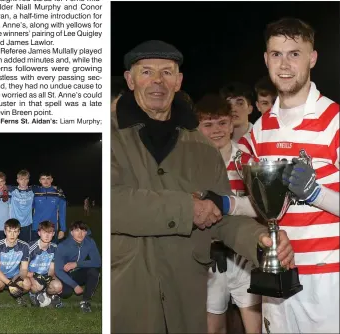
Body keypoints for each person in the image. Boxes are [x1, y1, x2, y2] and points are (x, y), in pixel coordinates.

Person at [111, 39, 295, 333]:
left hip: (187, 294)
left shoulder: (200, 146)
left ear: (179, 81)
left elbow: (220, 214)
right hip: (126, 291)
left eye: (167, 72)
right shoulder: (110, 136)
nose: (157, 81)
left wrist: (260, 242)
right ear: (130, 80)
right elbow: (112, 203)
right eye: (146, 72)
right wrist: (187, 208)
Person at [238, 18, 339, 333]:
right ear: (266, 59)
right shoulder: (260, 128)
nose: (284, 64)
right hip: (277, 271)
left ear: (312, 58)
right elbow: (257, 204)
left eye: (295, 54)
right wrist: (225, 204)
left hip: (326, 279)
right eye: (277, 54)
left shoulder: (334, 121)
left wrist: (315, 194)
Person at [195, 94, 261, 333]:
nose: (217, 130)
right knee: (214, 329)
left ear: (232, 124)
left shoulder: (248, 162)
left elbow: (263, 207)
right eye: (208, 125)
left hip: (244, 256)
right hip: (210, 259)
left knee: (254, 327)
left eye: (222, 123)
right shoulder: (191, 166)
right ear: (198, 127)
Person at [54, 221, 101, 313]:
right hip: (65, 274)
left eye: (83, 231)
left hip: (78, 272)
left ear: (86, 232)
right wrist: (74, 285)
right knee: (66, 293)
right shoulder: (63, 246)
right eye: (77, 230)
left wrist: (76, 264)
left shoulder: (89, 242)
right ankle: (53, 294)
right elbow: (58, 270)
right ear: (71, 232)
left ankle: (85, 301)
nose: (80, 234)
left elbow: (97, 262)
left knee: (94, 272)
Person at [0, 218, 31, 307]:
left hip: (15, 275)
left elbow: (24, 268)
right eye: (9, 231)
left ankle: (18, 295)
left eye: (15, 231)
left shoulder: (24, 246)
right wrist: (10, 283)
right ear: (5, 232)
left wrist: (20, 279)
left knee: (27, 284)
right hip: (1, 275)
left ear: (19, 232)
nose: (12, 235)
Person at [27, 220, 63, 307]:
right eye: (44, 232)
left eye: (50, 232)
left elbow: (51, 269)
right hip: (32, 275)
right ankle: (33, 293)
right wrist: (33, 276)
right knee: (37, 286)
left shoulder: (55, 248)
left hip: (45, 275)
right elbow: (23, 269)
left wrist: (48, 279)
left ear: (53, 234)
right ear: (39, 233)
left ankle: (48, 294)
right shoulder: (30, 247)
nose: (47, 235)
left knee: (58, 286)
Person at [33, 172, 67, 242]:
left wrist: (62, 229)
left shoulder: (58, 192)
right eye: (43, 179)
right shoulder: (34, 192)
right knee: (36, 251)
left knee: (52, 251)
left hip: (52, 228)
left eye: (48, 178)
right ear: (40, 180)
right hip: (37, 228)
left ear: (52, 180)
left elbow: (62, 212)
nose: (45, 181)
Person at [9, 170, 35, 242]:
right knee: (13, 245)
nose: (23, 181)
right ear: (17, 180)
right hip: (14, 224)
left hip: (27, 224)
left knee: (26, 245)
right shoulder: (12, 190)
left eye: (26, 179)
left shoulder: (32, 191)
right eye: (21, 179)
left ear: (28, 180)